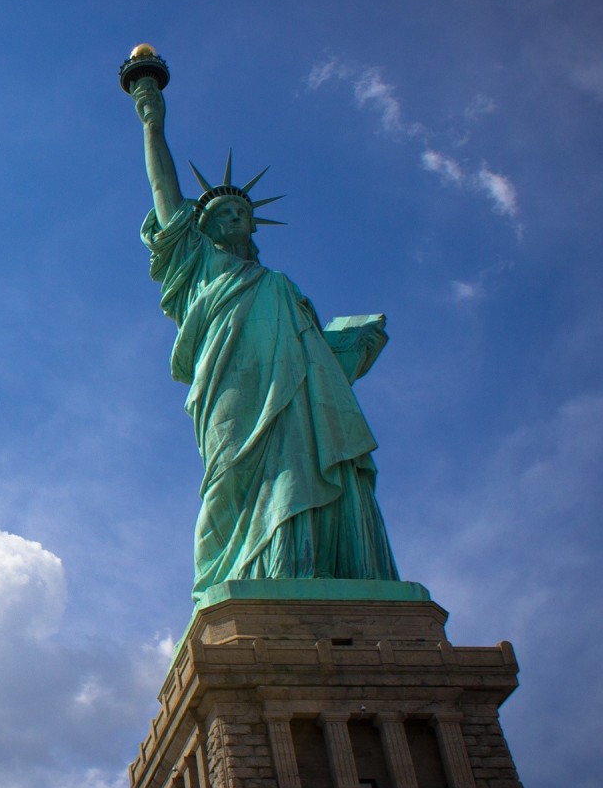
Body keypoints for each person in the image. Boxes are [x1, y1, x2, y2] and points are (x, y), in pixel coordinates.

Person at [129, 71, 400, 605]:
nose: (233, 216)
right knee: (227, 477)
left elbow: (316, 355)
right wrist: (152, 122)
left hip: (302, 397)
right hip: (230, 387)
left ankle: (301, 565)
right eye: (220, 213)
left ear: (252, 227)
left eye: (241, 213)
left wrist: (352, 344)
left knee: (304, 463)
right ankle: (230, 579)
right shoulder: (198, 266)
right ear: (202, 228)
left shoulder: (279, 285)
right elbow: (164, 191)